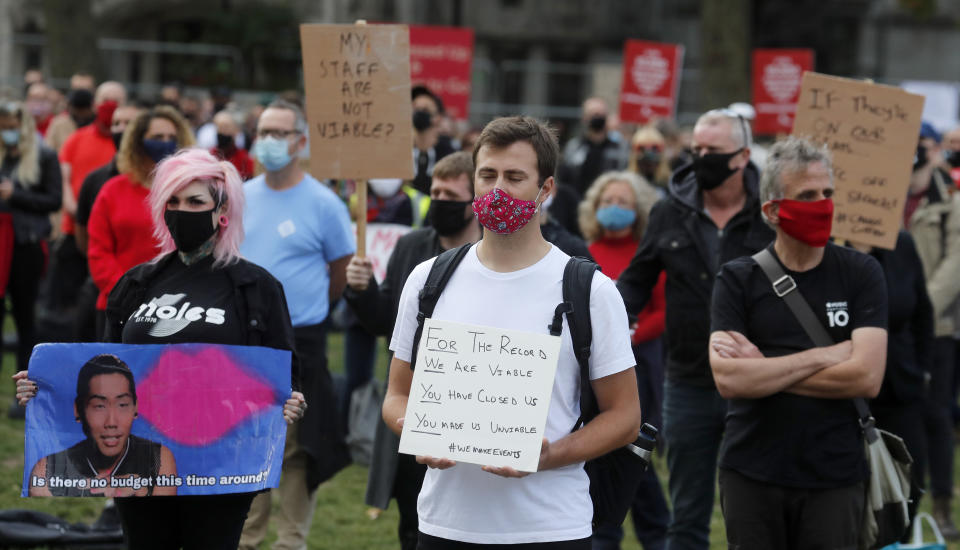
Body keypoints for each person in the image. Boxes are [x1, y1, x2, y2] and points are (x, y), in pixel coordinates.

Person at [11, 147, 308, 548]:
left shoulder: (255, 287)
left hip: (219, 467)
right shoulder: (136, 284)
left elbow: (284, 369)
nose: (182, 210)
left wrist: (290, 400)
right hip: (141, 464)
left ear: (222, 212)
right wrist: (46, 385)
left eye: (195, 201)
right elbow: (103, 365)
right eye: (173, 201)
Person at [383, 115, 641, 548]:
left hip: (549, 526)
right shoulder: (428, 281)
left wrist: (551, 455)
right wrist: (417, 429)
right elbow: (396, 394)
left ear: (547, 189)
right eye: (487, 175)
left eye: (515, 177)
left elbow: (625, 417)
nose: (498, 189)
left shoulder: (590, 290)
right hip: (444, 524)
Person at [708, 136, 887, 548]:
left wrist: (764, 367)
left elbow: (865, 377)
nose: (823, 204)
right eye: (808, 195)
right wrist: (828, 355)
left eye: (828, 193)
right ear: (773, 210)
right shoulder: (738, 278)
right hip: (751, 472)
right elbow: (730, 380)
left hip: (834, 475)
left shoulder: (862, 273)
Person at [616, 108, 774, 550]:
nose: (701, 158)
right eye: (696, 149)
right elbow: (637, 278)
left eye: (713, 151)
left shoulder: (771, 214)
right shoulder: (671, 211)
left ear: (742, 156)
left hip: (760, 383)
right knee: (686, 516)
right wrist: (611, 314)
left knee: (758, 512)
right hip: (688, 382)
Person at [345, 151, 481, 550]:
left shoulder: (494, 254)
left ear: (475, 201)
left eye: (451, 194)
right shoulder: (411, 246)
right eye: (434, 192)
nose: (439, 201)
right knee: (414, 512)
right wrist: (362, 290)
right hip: (413, 398)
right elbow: (388, 323)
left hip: (472, 398)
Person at [239, 100, 354, 550]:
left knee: (297, 448)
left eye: (279, 133)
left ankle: (291, 541)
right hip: (247, 341)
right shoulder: (242, 195)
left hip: (301, 340)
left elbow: (340, 269)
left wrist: (307, 309)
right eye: (263, 131)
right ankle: (247, 539)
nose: (268, 141)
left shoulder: (324, 203)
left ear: (300, 141)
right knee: (250, 442)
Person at [578, 171, 668, 550]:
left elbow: (664, 309)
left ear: (639, 210)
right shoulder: (580, 253)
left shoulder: (646, 253)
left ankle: (655, 531)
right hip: (590, 374)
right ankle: (605, 533)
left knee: (633, 453)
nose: (615, 209)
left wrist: (629, 335)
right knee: (602, 458)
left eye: (624, 203)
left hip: (639, 368)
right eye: (608, 202)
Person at [87, 105, 195, 336]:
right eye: (157, 137)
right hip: (119, 304)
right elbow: (98, 252)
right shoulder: (112, 191)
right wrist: (130, 291)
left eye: (171, 138)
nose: (166, 143)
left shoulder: (190, 194)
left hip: (178, 309)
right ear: (138, 142)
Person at [853, 230, 933, 530]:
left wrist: (922, 369)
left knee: (910, 482)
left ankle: (901, 538)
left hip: (901, 384)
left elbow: (922, 311)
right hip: (849, 393)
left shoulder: (902, 244)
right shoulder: (828, 246)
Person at [907, 122, 960, 539]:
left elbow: (954, 265)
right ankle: (900, 503)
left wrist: (920, 309)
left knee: (935, 416)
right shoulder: (882, 197)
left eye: (920, 144)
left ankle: (941, 505)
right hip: (886, 327)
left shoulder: (949, 200)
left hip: (936, 327)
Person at [27, 354, 177, 497]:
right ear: (78, 409)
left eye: (123, 404)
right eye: (99, 406)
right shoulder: (48, 468)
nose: (111, 422)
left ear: (135, 407)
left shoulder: (157, 458)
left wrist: (142, 492)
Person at [0, 101, 62, 416]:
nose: (7, 133)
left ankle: (23, 396)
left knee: (26, 322)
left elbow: (54, 200)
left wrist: (17, 195)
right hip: (1, 245)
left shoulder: (44, 157)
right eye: (3, 127)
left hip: (25, 247)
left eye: (11, 126)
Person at [47, 82, 127, 319]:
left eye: (116, 100)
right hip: (75, 230)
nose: (110, 105)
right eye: (105, 99)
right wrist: (74, 208)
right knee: (68, 303)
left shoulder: (129, 148)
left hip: (113, 239)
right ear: (95, 104)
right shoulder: (77, 139)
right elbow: (63, 177)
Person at [71, 103, 143, 343]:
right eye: (116, 124)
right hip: (105, 287)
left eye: (128, 124)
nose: (121, 129)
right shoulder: (97, 180)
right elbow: (84, 234)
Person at [557, 97, 629, 198]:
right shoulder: (574, 147)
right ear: (584, 118)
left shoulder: (620, 147)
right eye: (594, 114)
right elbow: (565, 179)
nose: (598, 118)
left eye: (601, 114)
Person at [411, 85, 456, 195]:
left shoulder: (449, 156)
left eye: (425, 109)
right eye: (415, 109)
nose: (419, 113)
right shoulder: (399, 152)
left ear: (438, 117)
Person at [210, 110, 254, 180]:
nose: (222, 131)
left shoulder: (244, 159)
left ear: (236, 130)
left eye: (226, 127)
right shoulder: (210, 156)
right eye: (219, 127)